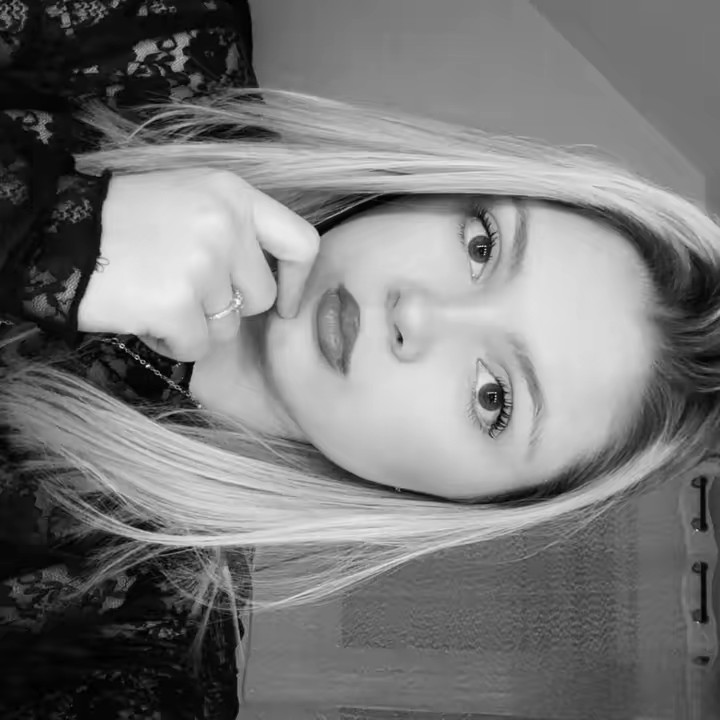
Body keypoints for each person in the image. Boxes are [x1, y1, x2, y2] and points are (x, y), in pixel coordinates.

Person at [2, 1, 719, 717]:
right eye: (482, 245)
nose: (417, 314)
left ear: (459, 503)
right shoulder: (157, 41)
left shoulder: (146, 631)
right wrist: (47, 221)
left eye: (494, 397)